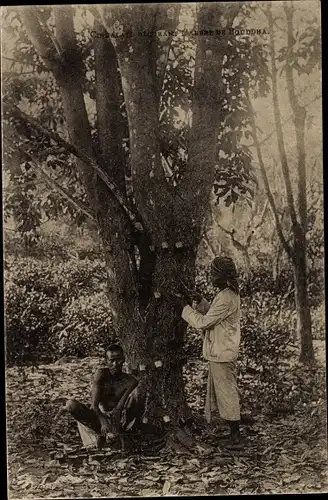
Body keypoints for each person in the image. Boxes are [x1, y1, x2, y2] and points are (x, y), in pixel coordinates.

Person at [180, 256, 241, 444]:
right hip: (222, 351)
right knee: (224, 391)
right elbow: (214, 315)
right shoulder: (226, 294)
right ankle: (232, 432)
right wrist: (200, 300)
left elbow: (204, 322)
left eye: (213, 274)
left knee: (227, 392)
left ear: (222, 276)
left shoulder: (226, 297)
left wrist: (184, 308)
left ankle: (235, 435)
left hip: (222, 352)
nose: (210, 277)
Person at [65, 344, 140, 448]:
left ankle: (115, 438)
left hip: (120, 418)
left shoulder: (131, 381)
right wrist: (103, 421)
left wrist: (114, 428)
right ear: (106, 361)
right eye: (111, 360)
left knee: (137, 395)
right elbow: (94, 405)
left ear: (123, 360)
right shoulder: (101, 374)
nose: (115, 364)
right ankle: (99, 439)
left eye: (118, 360)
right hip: (98, 415)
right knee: (70, 404)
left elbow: (119, 408)